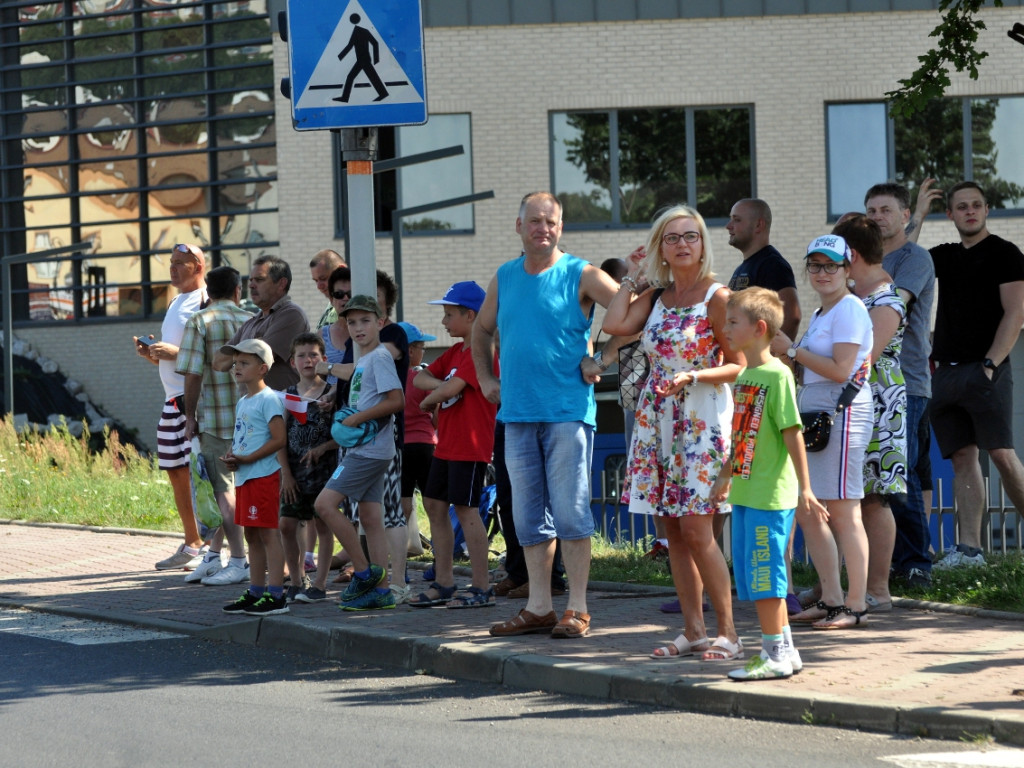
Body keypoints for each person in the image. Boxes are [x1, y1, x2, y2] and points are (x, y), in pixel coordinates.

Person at [474, 191, 619, 639]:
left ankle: (576, 607)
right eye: (535, 221)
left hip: (567, 412)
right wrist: (484, 378)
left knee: (572, 512)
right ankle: (539, 606)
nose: (544, 228)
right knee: (527, 516)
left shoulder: (582, 273)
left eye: (551, 222)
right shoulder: (505, 276)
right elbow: (480, 330)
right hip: (517, 415)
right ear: (519, 226)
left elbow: (634, 311)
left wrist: (604, 356)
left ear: (561, 227)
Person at [603, 204, 743, 661]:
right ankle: (693, 630)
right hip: (658, 421)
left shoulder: (718, 297)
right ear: (661, 245)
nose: (683, 244)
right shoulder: (657, 296)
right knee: (674, 534)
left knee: (699, 531)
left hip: (701, 419)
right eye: (673, 237)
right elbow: (614, 324)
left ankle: (730, 634)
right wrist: (634, 275)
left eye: (692, 236)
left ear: (703, 243)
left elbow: (739, 364)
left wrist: (695, 377)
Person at [710, 288, 825, 679]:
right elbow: (742, 435)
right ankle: (785, 651)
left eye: (732, 322)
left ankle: (772, 654)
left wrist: (805, 488)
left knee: (765, 578)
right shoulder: (746, 375)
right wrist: (726, 476)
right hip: (746, 492)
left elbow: (793, 432)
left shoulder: (777, 375)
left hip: (768, 497)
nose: (724, 328)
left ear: (759, 329)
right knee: (754, 576)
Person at [772, 235, 873, 630]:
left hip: (841, 411)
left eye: (831, 265)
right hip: (816, 410)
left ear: (848, 269)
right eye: (815, 265)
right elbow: (816, 368)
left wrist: (793, 350)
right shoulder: (821, 312)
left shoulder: (849, 308)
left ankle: (856, 603)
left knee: (844, 511)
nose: (822, 272)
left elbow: (841, 369)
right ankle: (831, 598)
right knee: (809, 508)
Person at [929, 182, 1024, 569]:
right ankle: (970, 551)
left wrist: (990, 364)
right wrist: (918, 212)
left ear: (986, 209)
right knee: (963, 459)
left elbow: (1016, 314)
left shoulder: (1005, 253)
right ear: (950, 214)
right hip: (946, 371)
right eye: (961, 207)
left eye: (977, 206)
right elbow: (900, 258)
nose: (970, 212)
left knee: (1002, 455)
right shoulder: (945, 256)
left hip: (987, 370)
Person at [314, 295, 405, 611]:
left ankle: (364, 572)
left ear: (381, 323)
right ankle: (381, 592)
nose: (357, 327)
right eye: (351, 322)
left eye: (365, 320)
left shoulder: (379, 358)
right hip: (372, 451)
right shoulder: (366, 360)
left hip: (367, 452)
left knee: (324, 505)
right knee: (371, 518)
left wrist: (355, 417)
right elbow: (353, 381)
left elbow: (397, 401)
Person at [865, 182, 935, 589]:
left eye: (885, 210)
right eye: (871, 210)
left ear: (906, 216)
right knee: (879, 478)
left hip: (906, 383)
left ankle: (916, 565)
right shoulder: (861, 261)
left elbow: (894, 300)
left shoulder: (915, 257)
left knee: (900, 473)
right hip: (866, 382)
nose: (876, 217)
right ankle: (890, 565)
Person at [412, 281, 497, 608]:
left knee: (467, 510)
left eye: (449, 314)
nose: (445, 322)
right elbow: (419, 378)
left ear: (471, 314)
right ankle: (444, 581)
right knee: (433, 505)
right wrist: (439, 389)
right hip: (446, 445)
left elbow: (453, 388)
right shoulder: (452, 353)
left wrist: (433, 397)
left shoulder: (482, 350)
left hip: (470, 446)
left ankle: (481, 586)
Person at [843, 214, 907, 612]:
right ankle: (844, 587)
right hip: (851, 403)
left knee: (874, 497)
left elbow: (864, 358)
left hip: (879, 406)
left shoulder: (885, 300)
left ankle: (878, 589)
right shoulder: (853, 297)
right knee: (847, 496)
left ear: (851, 255)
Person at [133, 242, 208, 570]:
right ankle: (191, 542)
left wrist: (174, 352)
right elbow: (175, 356)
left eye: (181, 263)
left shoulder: (205, 301)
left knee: (201, 475)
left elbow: (213, 353)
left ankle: (211, 545)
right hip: (170, 401)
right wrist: (154, 355)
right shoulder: (176, 300)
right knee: (176, 472)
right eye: (172, 263)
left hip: (194, 401)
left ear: (198, 266)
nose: (173, 268)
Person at [175, 265, 252, 586]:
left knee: (222, 493)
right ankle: (212, 556)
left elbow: (192, 374)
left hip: (216, 421)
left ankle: (238, 560)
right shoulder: (250, 320)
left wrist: (189, 416)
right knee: (240, 491)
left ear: (208, 291)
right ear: (237, 290)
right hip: (253, 419)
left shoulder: (199, 322)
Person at [218, 339, 289, 615]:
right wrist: (233, 454)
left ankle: (276, 595)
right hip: (246, 476)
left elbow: (279, 438)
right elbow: (243, 435)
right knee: (252, 535)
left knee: (269, 534)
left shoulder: (269, 399)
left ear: (262, 368)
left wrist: (247, 459)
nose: (237, 367)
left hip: (263, 475)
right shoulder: (244, 400)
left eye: (244, 363)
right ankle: (256, 590)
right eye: (236, 362)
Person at [278, 332, 337, 603]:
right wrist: (286, 475)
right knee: (287, 525)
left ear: (323, 359)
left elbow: (343, 434)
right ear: (292, 362)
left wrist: (323, 448)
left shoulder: (332, 393)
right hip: (294, 473)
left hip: (324, 471)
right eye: (301, 355)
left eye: (313, 354)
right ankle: (297, 580)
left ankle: (321, 584)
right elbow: (279, 437)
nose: (308, 360)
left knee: (323, 526)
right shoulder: (288, 395)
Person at [214, 255, 309, 391]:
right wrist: (254, 345)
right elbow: (218, 362)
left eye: (259, 280)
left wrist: (237, 352)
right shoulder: (251, 322)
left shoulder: (292, 314)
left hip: (281, 408)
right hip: (251, 407)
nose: (251, 285)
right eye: (251, 280)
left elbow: (261, 357)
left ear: (281, 283)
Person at [726, 199, 801, 340]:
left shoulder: (773, 265)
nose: (728, 226)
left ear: (758, 225)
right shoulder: (742, 268)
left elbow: (792, 316)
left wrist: (769, 356)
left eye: (736, 220)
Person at [397, 320, 436, 564]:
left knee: (403, 505)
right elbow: (436, 415)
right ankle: (442, 556)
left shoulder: (392, 379)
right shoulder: (422, 378)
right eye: (421, 346)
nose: (423, 351)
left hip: (400, 447)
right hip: (424, 445)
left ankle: (400, 557)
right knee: (434, 506)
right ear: (410, 350)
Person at [309, 249, 346, 330]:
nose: (319, 286)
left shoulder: (354, 305)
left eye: (323, 278)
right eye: (316, 280)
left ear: (341, 270)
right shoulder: (331, 306)